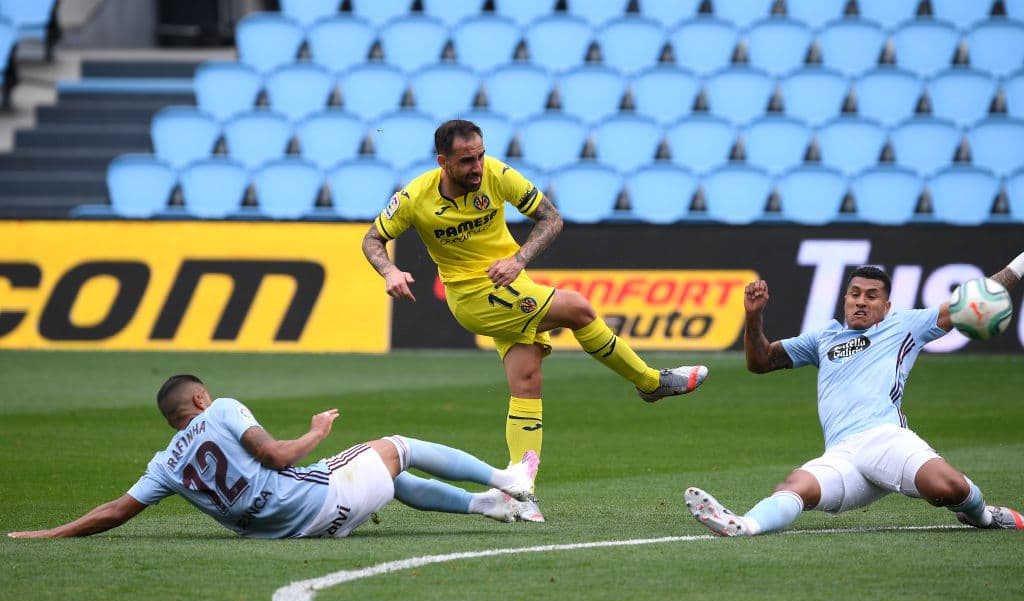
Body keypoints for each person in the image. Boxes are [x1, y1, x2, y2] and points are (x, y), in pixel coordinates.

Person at [362, 119, 708, 522]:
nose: (477, 167)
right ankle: (650, 382)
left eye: (480, 155)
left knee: (526, 381)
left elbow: (551, 218)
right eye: (466, 160)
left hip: (511, 279)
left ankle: (517, 495)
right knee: (578, 308)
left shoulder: (497, 175)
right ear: (443, 162)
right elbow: (372, 238)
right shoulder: (414, 198)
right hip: (472, 297)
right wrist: (389, 270)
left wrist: (519, 259)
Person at [686, 259, 1024, 536]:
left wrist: (1019, 266)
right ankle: (744, 525)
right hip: (841, 454)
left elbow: (976, 298)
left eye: (872, 296)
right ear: (845, 298)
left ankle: (982, 515)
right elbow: (760, 362)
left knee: (948, 488)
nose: (861, 301)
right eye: (854, 294)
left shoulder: (906, 325)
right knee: (797, 484)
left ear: (887, 305)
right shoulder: (824, 337)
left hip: (886, 439)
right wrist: (754, 315)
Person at [7, 374, 540, 539]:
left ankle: (486, 506)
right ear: (198, 400)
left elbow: (115, 512)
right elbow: (277, 456)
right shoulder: (222, 411)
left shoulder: (163, 465)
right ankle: (509, 478)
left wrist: (46, 535)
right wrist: (314, 431)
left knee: (389, 477)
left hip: (299, 532)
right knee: (398, 447)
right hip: (320, 497)